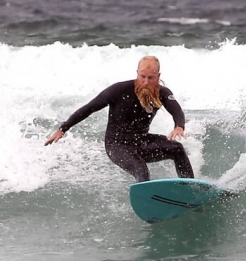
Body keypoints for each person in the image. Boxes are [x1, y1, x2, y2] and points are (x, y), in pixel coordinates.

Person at [44, 56, 195, 183]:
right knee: (140, 168)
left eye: (151, 78)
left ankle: (190, 188)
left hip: (141, 141)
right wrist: (63, 128)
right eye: (142, 77)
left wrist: (179, 127)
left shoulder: (162, 92)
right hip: (117, 145)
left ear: (158, 77)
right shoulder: (119, 90)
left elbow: (176, 110)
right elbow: (89, 108)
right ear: (137, 73)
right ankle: (146, 202)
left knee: (177, 149)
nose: (146, 82)